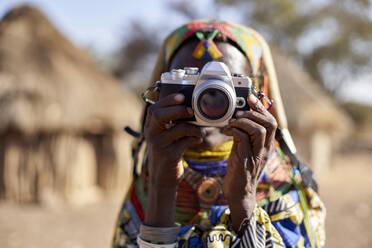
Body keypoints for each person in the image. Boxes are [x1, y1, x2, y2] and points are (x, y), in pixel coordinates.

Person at [113, 20, 326, 248]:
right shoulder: (148, 184)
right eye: (191, 82)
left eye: (230, 86)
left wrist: (244, 199)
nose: (208, 99)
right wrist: (161, 186)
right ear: (162, 91)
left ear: (259, 90)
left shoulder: (285, 191)